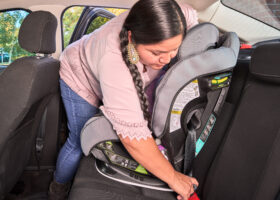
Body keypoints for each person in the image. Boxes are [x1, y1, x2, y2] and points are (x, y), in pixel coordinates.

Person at [48, 0, 199, 199]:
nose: (167, 59)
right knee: (78, 141)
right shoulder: (114, 62)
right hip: (79, 76)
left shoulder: (180, 16)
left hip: (104, 67)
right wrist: (173, 177)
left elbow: (195, 27)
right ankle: (57, 189)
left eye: (174, 49)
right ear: (131, 38)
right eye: (157, 53)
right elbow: (133, 137)